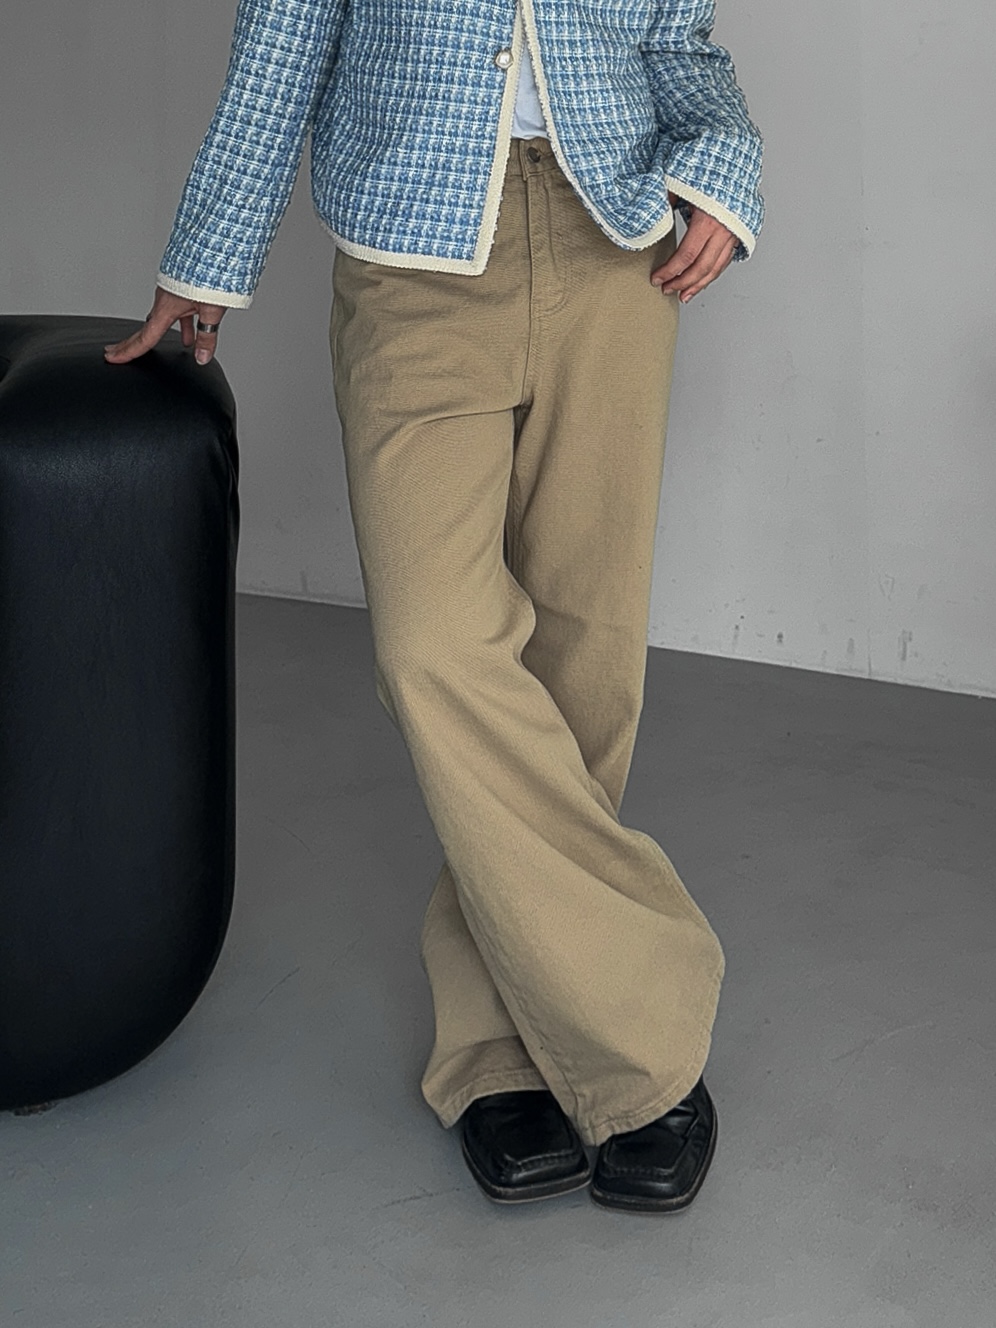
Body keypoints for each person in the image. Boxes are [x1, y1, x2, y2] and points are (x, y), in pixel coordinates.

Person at [105, 0, 764, 1214]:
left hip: (614, 249)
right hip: (414, 261)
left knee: (583, 664)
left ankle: (500, 1044)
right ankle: (641, 1024)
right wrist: (207, 259)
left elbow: (677, 43)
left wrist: (722, 170)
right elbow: (284, 38)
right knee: (435, 650)